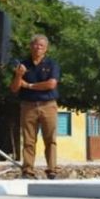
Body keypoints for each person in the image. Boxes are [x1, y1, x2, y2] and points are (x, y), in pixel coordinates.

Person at [8, 34, 61, 180]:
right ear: (31, 46)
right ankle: (28, 170)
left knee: (50, 139)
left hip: (48, 105)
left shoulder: (51, 64)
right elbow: (14, 88)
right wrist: (19, 75)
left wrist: (29, 85)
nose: (38, 48)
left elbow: (51, 84)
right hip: (28, 106)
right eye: (36, 45)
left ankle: (51, 170)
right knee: (28, 140)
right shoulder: (23, 64)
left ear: (46, 48)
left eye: (41, 46)